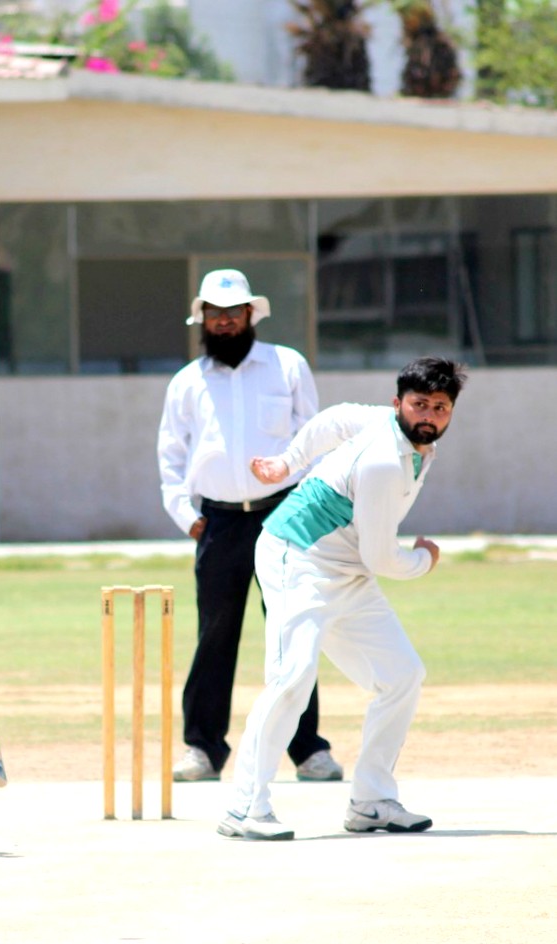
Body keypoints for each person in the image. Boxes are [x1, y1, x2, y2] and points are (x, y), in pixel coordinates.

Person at [218, 356, 467, 841]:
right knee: (292, 677)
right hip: (297, 556)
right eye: (419, 405)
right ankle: (245, 807)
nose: (429, 416)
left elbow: (332, 420)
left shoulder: (397, 431)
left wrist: (286, 462)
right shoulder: (382, 460)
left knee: (401, 676)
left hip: (348, 570)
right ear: (398, 403)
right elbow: (382, 558)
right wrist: (424, 559)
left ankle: (371, 801)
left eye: (440, 407)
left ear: (451, 411)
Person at [157, 268, 342, 784]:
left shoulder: (287, 365)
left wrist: (307, 506)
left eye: (232, 313)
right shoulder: (187, 382)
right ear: (202, 319)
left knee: (292, 633)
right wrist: (187, 517)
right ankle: (203, 749)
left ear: (250, 314)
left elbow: (314, 438)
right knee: (214, 635)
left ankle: (308, 750)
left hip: (283, 516)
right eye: (214, 314)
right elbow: (170, 454)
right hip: (216, 521)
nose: (224, 322)